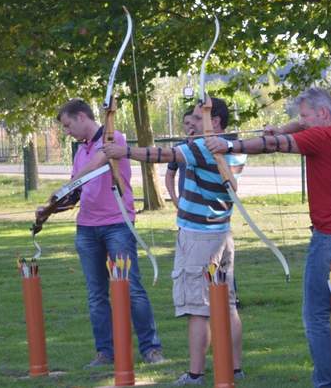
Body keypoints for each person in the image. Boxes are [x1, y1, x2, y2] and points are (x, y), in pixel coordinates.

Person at [205, 88, 331, 388]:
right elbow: (292, 130)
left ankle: (327, 383)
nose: (300, 121)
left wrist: (227, 145)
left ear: (323, 114)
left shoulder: (322, 138)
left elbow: (272, 145)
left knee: (315, 316)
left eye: (304, 116)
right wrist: (282, 126)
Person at [104, 97, 245, 385]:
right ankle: (235, 369)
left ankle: (195, 374)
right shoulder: (232, 148)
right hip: (221, 234)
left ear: (214, 120)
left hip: (199, 237)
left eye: (198, 115)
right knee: (227, 305)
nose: (192, 121)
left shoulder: (205, 146)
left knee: (197, 307)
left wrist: (124, 151)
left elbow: (161, 154)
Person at [35, 99, 165, 369]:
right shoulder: (80, 151)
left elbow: (97, 164)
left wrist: (65, 186)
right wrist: (49, 209)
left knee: (131, 289)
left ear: (82, 116)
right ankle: (105, 353)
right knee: (97, 295)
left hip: (117, 224)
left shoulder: (111, 137)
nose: (67, 131)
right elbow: (77, 193)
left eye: (68, 125)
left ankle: (151, 349)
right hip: (87, 229)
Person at [165, 109, 196, 207]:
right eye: (187, 123)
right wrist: (174, 199)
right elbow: (169, 175)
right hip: (185, 204)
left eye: (193, 123)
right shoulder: (178, 149)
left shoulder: (209, 146)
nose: (190, 126)